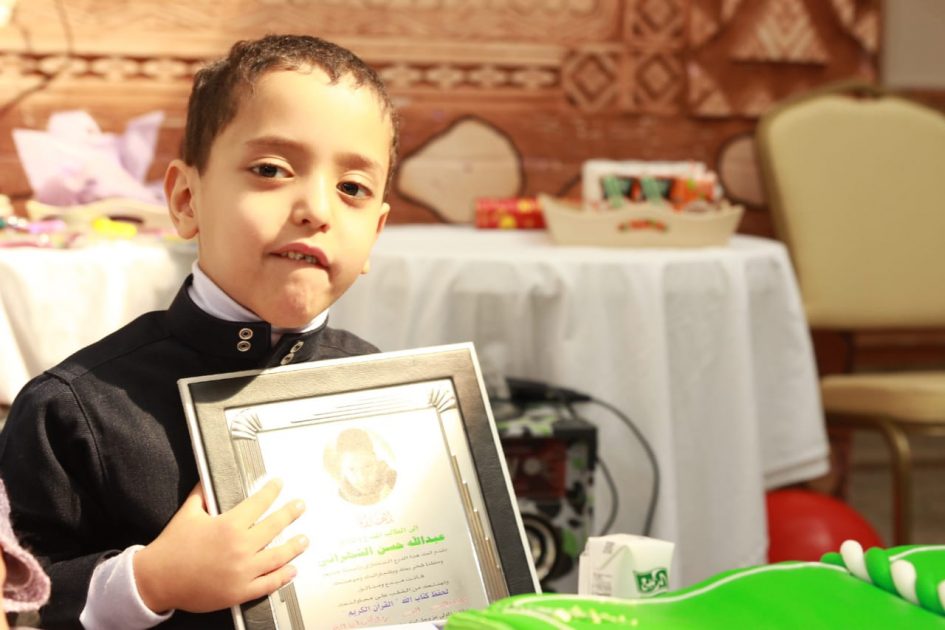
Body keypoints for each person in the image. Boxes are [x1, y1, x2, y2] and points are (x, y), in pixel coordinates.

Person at [0, 33, 397, 629]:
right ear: (187, 199)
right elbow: (19, 606)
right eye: (271, 170)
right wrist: (150, 581)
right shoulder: (73, 412)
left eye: (353, 189)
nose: (318, 209)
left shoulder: (387, 392)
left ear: (376, 233)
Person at [326, 428, 397, 506]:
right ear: (342, 469)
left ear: (375, 459)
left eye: (367, 466)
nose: (362, 478)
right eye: (351, 469)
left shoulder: (393, 481)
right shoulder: (338, 500)